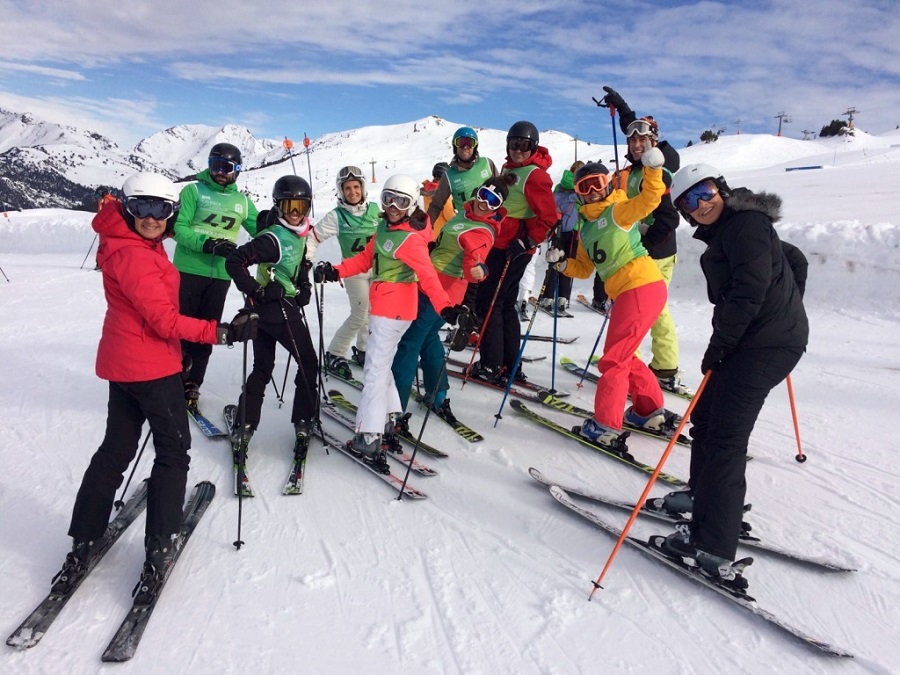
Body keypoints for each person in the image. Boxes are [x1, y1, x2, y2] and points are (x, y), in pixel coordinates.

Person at [56, 173, 256, 601]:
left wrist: (178, 349)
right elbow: (164, 320)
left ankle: (83, 540)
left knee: (115, 450)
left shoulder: (129, 242)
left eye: (161, 209)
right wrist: (222, 333)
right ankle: (159, 548)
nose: (152, 217)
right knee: (172, 452)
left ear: (171, 213)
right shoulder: (137, 256)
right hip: (148, 368)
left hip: (125, 361)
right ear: (126, 206)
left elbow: (153, 316)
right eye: (142, 207)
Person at [657, 163, 809, 588]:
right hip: (754, 340)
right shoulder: (735, 230)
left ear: (720, 188)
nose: (701, 204)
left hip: (762, 347)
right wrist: (788, 302)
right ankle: (703, 501)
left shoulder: (746, 225)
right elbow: (793, 258)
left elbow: (748, 291)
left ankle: (713, 545)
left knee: (725, 437)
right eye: (690, 201)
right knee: (705, 420)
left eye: (705, 192)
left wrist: (724, 343)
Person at [315, 175, 464, 472]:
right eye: (388, 199)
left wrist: (447, 309)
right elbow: (364, 259)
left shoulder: (410, 240)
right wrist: (335, 270)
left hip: (393, 311)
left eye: (402, 201)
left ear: (410, 207)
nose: (393, 207)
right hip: (386, 308)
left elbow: (430, 278)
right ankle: (391, 418)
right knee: (381, 368)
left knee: (373, 372)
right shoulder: (384, 227)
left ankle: (369, 437)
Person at [545, 150, 670, 450]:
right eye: (583, 186)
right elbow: (586, 269)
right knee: (625, 355)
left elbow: (650, 200)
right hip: (633, 291)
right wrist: (561, 264)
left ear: (609, 184)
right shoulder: (586, 228)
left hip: (639, 285)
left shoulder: (618, 211)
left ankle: (605, 426)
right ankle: (648, 412)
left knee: (613, 359)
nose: (591, 191)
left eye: (597, 183)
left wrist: (653, 170)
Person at [392, 175, 512, 423]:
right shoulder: (465, 215)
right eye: (483, 195)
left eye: (493, 201)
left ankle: (393, 411)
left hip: (440, 293)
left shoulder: (482, 230)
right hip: (434, 287)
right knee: (427, 339)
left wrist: (479, 269)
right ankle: (438, 395)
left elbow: (474, 259)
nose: (484, 203)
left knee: (408, 344)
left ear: (498, 207)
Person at [224, 175, 319, 461]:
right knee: (309, 365)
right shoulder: (272, 238)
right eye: (289, 206)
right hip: (277, 310)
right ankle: (303, 422)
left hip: (268, 310)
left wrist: (303, 286)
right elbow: (234, 262)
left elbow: (299, 262)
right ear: (278, 206)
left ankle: (245, 425)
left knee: (263, 368)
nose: (295, 212)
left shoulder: (298, 232)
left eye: (300, 206)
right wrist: (259, 290)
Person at [601, 87, 689, 396]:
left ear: (655, 143)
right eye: (633, 140)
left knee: (653, 310)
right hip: (635, 253)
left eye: (644, 140)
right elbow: (633, 127)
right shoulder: (632, 170)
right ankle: (644, 364)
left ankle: (662, 368)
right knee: (643, 310)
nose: (637, 144)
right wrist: (621, 107)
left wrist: (646, 250)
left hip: (657, 252)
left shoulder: (659, 169)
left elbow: (668, 219)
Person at [173, 142, 260, 415]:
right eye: (215, 166)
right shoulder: (193, 190)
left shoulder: (243, 202)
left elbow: (263, 231)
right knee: (180, 329)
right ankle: (173, 378)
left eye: (226, 167)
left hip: (220, 275)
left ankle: (192, 384)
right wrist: (208, 244)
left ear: (237, 170)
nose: (220, 172)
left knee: (207, 331)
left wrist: (288, 229)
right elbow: (179, 228)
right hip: (189, 270)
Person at [470, 121, 557, 385]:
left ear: (533, 147)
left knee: (490, 302)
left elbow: (550, 217)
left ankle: (491, 364)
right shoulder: (510, 168)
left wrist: (528, 240)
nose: (518, 149)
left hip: (513, 247)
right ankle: (509, 364)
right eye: (514, 144)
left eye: (524, 145)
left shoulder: (535, 175)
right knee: (505, 304)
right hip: (501, 243)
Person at [306, 166, 380, 375]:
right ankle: (335, 353)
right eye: (347, 188)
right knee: (359, 314)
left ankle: (363, 349)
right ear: (341, 190)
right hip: (353, 271)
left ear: (363, 187)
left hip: (377, 270)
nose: (352, 192)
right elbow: (313, 237)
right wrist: (308, 262)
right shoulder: (336, 216)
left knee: (373, 313)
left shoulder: (376, 210)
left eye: (356, 186)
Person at [537, 160, 583, 313]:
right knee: (568, 264)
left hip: (557, 227)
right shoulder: (580, 186)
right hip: (574, 230)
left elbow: (552, 203)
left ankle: (547, 297)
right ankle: (562, 299)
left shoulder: (560, 185)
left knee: (553, 261)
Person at [420, 162, 456, 238]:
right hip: (443, 233)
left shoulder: (428, 190)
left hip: (432, 232)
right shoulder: (442, 192)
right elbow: (449, 215)